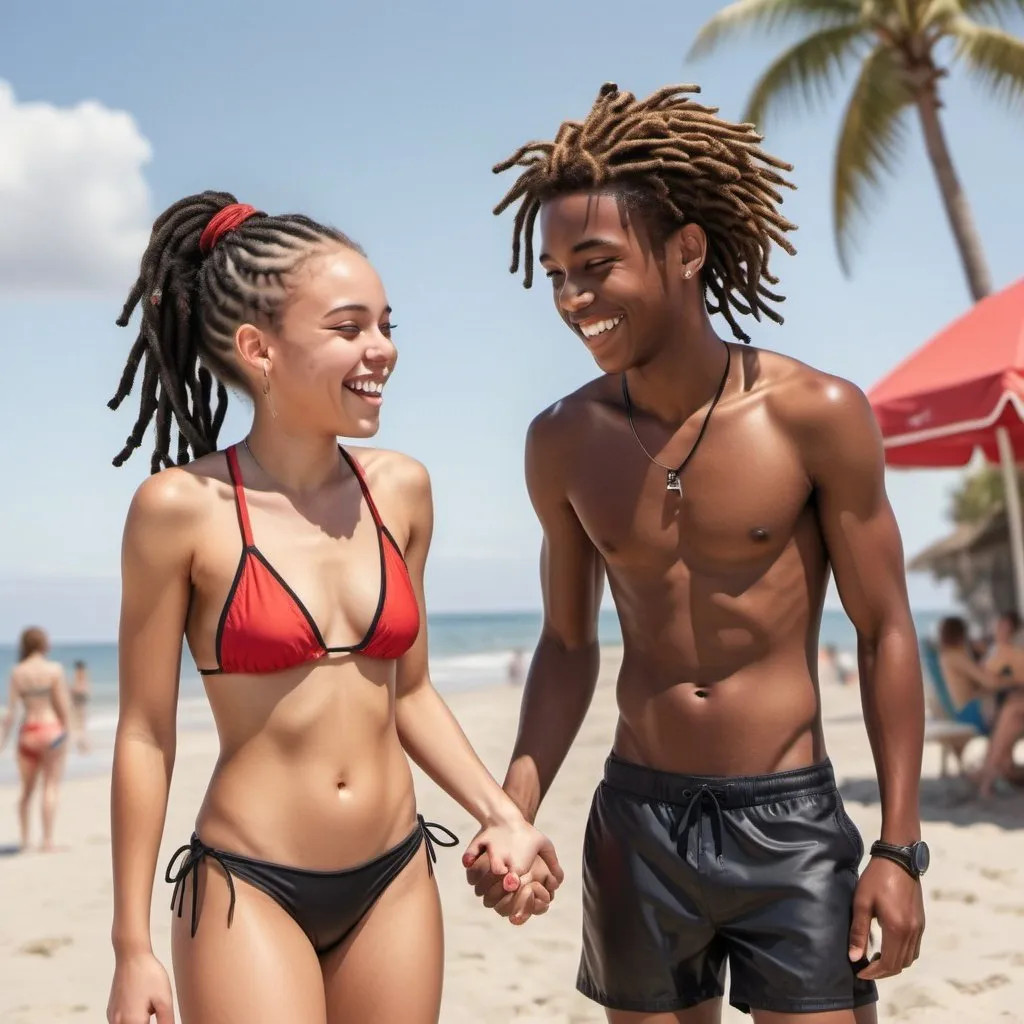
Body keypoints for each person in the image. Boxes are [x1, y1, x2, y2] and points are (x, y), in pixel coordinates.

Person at [466, 83, 928, 1023]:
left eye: (595, 265)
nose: (572, 298)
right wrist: (513, 807)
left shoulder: (816, 415)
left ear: (686, 250)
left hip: (790, 821)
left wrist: (898, 849)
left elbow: (885, 630)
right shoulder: (561, 440)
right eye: (554, 273)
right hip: (637, 820)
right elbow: (564, 644)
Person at [104, 192, 562, 1024]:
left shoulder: (402, 491)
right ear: (259, 349)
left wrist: (504, 816)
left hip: (394, 875)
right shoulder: (180, 509)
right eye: (350, 328)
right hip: (250, 885)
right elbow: (143, 731)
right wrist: (130, 947)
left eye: (388, 324)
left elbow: (411, 693)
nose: (381, 349)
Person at [0, 626, 70, 852]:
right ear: (43, 644)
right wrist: (69, 732)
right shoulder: (54, 670)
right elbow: (63, 707)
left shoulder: (17, 671)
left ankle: (24, 841)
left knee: (27, 791)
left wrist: (2, 741)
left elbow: (10, 713)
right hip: (51, 731)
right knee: (50, 786)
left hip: (29, 733)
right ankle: (47, 841)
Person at [938, 615, 1024, 798]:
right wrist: (1013, 681)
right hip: (969, 711)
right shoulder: (955, 656)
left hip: (966, 708)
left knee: (1010, 714)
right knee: (1008, 714)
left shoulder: (951, 654)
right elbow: (988, 681)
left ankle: (993, 770)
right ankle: (997, 769)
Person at [70, 659, 91, 753]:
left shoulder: (80, 673)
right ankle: (82, 744)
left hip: (79, 698)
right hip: (81, 698)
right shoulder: (83, 673)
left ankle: (82, 745)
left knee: (79, 722)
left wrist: (71, 691)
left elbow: (79, 687)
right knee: (80, 721)